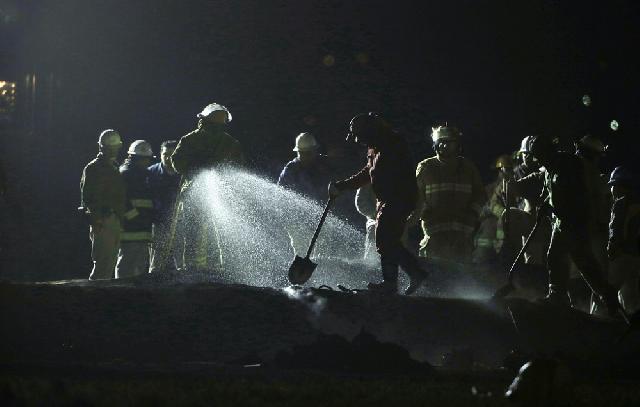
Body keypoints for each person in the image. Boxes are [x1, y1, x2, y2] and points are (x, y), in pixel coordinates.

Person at [510, 135, 620, 314]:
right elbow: (546, 184)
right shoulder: (552, 166)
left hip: (574, 221)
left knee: (578, 260)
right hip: (564, 222)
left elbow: (569, 195)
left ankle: (606, 300)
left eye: (539, 155)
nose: (538, 159)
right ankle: (564, 296)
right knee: (563, 257)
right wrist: (538, 197)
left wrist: (550, 206)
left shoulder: (567, 165)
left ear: (547, 152)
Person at [329, 112, 428, 295]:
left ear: (369, 131)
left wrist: (343, 187)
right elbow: (369, 172)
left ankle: (396, 282)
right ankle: (411, 275)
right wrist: (342, 186)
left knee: (385, 239)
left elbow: (384, 173)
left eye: (359, 136)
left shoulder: (393, 144)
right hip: (387, 200)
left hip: (398, 198)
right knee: (387, 240)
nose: (358, 141)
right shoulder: (375, 147)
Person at [171, 102, 245, 273]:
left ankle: (209, 270)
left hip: (217, 194)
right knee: (200, 233)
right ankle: (205, 270)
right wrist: (196, 171)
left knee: (216, 232)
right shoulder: (192, 140)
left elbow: (237, 169)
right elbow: (178, 161)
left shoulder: (228, 143)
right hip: (197, 194)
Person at [413, 125, 486, 263]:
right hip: (434, 234)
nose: (445, 145)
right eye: (441, 142)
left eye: (449, 142)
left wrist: (473, 213)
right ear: (435, 144)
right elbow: (417, 197)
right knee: (433, 275)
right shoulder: (426, 167)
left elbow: (481, 195)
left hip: (463, 234)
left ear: (457, 145)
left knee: (461, 277)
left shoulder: (468, 168)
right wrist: (424, 214)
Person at [79, 129, 126, 280]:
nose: (114, 150)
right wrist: (96, 219)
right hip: (103, 220)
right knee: (102, 263)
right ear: (101, 147)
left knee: (110, 262)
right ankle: (94, 297)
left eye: (115, 147)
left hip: (113, 218)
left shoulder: (114, 167)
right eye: (110, 148)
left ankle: (102, 297)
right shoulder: (94, 168)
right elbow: (88, 197)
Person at [277, 132, 333, 256]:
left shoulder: (324, 166)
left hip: (321, 217)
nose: (306, 156)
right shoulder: (290, 170)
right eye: (303, 153)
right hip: (297, 221)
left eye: (309, 153)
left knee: (323, 254)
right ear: (298, 152)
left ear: (314, 151)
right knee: (301, 253)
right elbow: (281, 195)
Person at [115, 140, 155, 278]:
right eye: (144, 159)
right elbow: (120, 198)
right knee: (127, 263)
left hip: (142, 226)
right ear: (134, 158)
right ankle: (121, 292)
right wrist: (133, 216)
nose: (147, 162)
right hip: (130, 226)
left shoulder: (145, 174)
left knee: (140, 264)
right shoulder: (125, 174)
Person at [607, 165, 640, 313]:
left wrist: (613, 248)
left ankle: (597, 322)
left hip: (622, 256)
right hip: (636, 257)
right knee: (630, 297)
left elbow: (616, 229)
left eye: (613, 185)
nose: (611, 190)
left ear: (620, 186)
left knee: (605, 293)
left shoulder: (621, 204)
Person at [148, 140, 182, 272]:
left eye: (172, 154)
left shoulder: (183, 173)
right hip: (158, 223)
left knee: (181, 258)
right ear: (160, 154)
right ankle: (153, 284)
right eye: (165, 154)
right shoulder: (151, 172)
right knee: (156, 259)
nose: (168, 158)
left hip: (179, 222)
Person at [355, 184, 378, 261]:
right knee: (372, 259)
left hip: (398, 225)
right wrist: (376, 214)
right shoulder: (370, 177)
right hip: (375, 222)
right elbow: (360, 201)